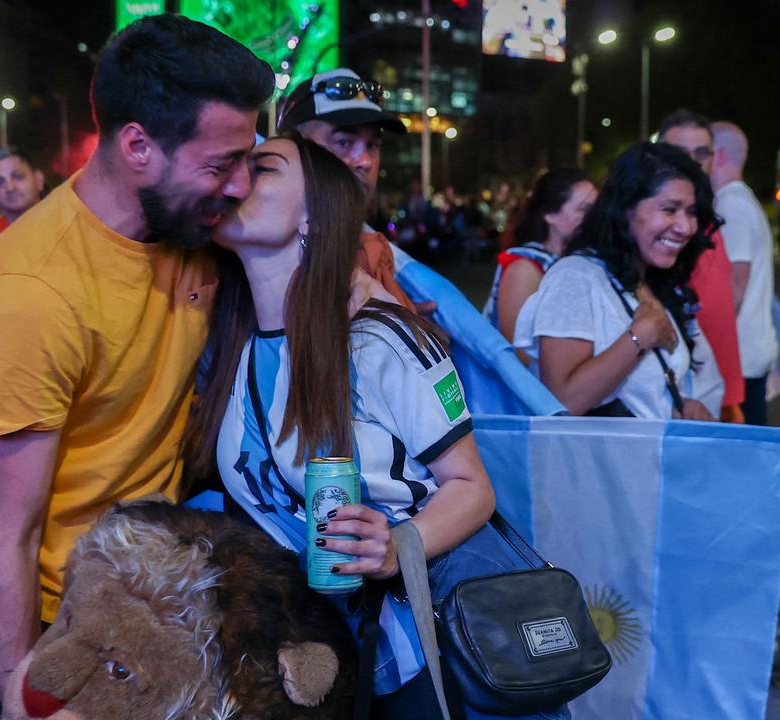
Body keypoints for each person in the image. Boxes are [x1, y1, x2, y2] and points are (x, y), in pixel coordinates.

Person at [0, 15, 273, 718]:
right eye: (219, 165)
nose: (239, 187)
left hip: (139, 588)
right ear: (138, 146)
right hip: (41, 605)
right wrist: (21, 687)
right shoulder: (30, 294)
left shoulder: (189, 230)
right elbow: (9, 534)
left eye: (248, 159)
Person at [196, 132, 568, 719]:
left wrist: (396, 545)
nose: (235, 180)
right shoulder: (235, 350)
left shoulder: (379, 338)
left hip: (430, 657)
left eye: (262, 169)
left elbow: (472, 488)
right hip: (329, 666)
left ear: (314, 215)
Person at [514, 142, 721, 421]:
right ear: (626, 208)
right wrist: (640, 336)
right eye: (670, 209)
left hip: (648, 461)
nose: (686, 227)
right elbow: (563, 402)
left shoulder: (649, 279)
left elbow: (636, 395)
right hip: (597, 464)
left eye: (692, 212)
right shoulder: (575, 277)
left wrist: (677, 407)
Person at [278, 67, 430, 314]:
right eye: (344, 142)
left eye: (372, 145)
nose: (365, 161)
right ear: (290, 148)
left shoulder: (375, 254)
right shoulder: (255, 248)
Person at [658, 109, 746, 421]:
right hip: (687, 396)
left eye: (702, 153)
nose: (693, 162)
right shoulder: (660, 227)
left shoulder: (707, 216)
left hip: (718, 387)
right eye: (681, 153)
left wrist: (731, 394)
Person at [710, 121, 777, 426]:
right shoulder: (742, 200)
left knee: (744, 455)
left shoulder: (730, 205)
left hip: (739, 356)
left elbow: (734, 285)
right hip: (750, 352)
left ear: (719, 155)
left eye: (703, 151)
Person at [483, 168, 596, 348]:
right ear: (550, 214)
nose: (594, 218)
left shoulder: (583, 261)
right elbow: (517, 353)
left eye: (596, 209)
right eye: (583, 209)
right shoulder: (524, 269)